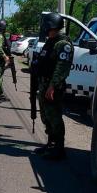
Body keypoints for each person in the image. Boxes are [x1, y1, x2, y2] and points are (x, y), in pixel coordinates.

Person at [33, 12, 73, 160]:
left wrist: (52, 86)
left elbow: (62, 68)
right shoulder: (51, 41)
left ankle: (59, 148)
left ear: (51, 25)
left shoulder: (63, 44)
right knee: (46, 116)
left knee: (54, 117)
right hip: (44, 84)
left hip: (52, 86)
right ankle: (50, 144)